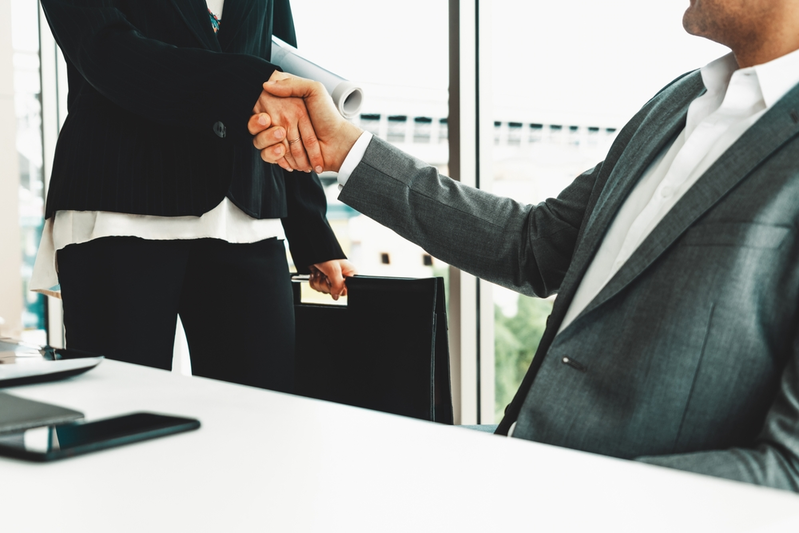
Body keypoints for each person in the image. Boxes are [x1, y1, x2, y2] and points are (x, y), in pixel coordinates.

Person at [248, 1, 799, 491]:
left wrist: (570, 494)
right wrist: (345, 150)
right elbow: (535, 245)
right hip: (516, 464)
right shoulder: (680, 100)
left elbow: (788, 468)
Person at [31, 0, 355, 393]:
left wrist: (311, 231)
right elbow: (102, 48)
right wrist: (242, 86)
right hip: (123, 198)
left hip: (246, 212)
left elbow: (283, 69)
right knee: (121, 423)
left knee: (260, 426)